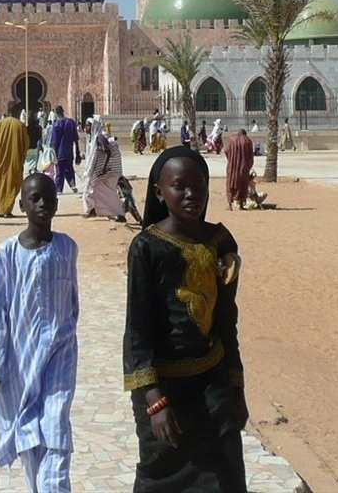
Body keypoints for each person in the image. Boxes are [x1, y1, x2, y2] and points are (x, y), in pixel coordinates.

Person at [123, 146, 246, 491]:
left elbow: (226, 319)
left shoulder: (220, 241)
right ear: (160, 192)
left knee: (225, 474)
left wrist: (236, 387)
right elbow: (137, 330)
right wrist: (154, 401)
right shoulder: (147, 248)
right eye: (180, 186)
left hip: (212, 382)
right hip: (164, 391)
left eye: (200, 185)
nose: (192, 194)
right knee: (161, 473)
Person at [0, 173, 79, 492]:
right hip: (18, 363)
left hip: (59, 358)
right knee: (30, 441)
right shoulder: (7, 253)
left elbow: (72, 304)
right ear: (22, 204)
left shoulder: (68, 248)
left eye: (49, 197)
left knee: (55, 432)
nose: (42, 203)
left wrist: (63, 337)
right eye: (34, 198)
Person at [0, 102, 29, 218]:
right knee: (12, 184)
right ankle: (6, 209)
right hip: (14, 161)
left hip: (0, 160)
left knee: (0, 183)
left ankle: (0, 208)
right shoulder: (20, 126)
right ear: (17, 112)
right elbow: (26, 144)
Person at [81, 121, 126, 222]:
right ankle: (97, 210)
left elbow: (107, 151)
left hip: (108, 170)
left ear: (93, 127)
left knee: (90, 189)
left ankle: (93, 210)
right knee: (105, 192)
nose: (85, 128)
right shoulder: (98, 136)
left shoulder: (99, 137)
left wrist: (103, 168)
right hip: (113, 169)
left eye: (88, 125)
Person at [48, 106, 81, 194]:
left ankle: (58, 189)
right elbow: (76, 139)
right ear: (63, 111)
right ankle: (72, 183)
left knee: (59, 171)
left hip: (59, 153)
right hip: (69, 152)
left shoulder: (56, 125)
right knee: (69, 168)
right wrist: (78, 153)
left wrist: (53, 155)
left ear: (55, 113)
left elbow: (54, 142)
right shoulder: (71, 122)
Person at [223, 124, 254, 211]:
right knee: (243, 184)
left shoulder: (231, 139)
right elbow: (251, 156)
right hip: (243, 168)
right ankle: (241, 205)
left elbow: (226, 150)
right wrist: (249, 166)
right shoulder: (248, 141)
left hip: (232, 167)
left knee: (230, 184)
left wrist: (230, 160)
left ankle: (230, 205)